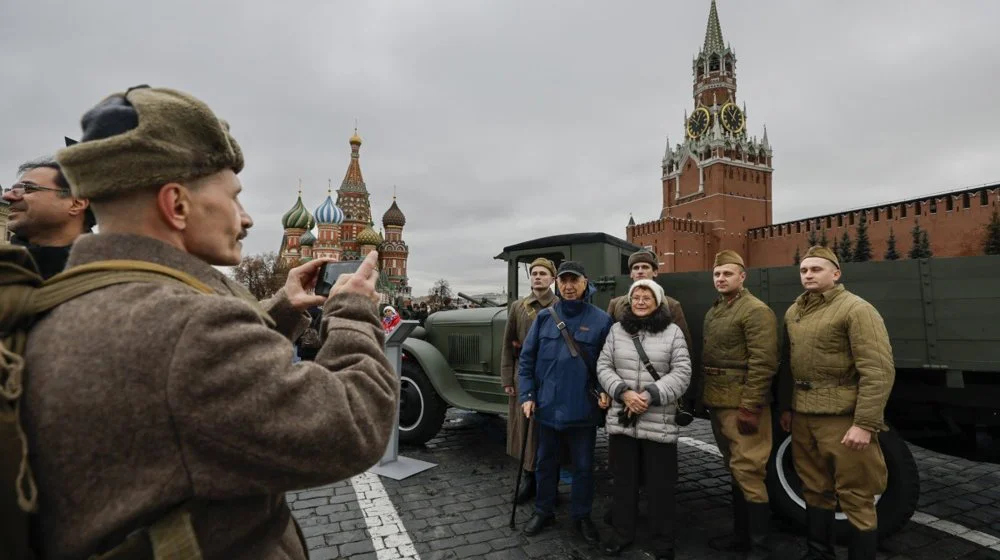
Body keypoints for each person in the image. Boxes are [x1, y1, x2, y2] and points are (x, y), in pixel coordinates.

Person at [21, 85, 397, 559]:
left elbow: (182, 376)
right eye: (234, 197)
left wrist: (282, 308)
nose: (245, 218)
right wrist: (353, 310)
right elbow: (354, 427)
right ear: (176, 204)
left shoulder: (78, 300)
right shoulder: (185, 328)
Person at [779, 246, 894, 560]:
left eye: (816, 269)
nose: (809, 275)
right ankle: (819, 553)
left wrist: (864, 423)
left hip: (842, 418)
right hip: (803, 415)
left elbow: (878, 370)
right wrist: (787, 408)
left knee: (856, 493)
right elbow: (789, 364)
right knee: (814, 487)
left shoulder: (856, 309)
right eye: (804, 270)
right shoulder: (794, 312)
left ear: (836, 273)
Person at [518, 261, 612, 545]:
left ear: (586, 283)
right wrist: (528, 395)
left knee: (583, 467)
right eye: (564, 281)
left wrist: (604, 389)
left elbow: (608, 364)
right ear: (557, 283)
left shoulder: (601, 320)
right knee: (546, 463)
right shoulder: (545, 318)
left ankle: (581, 516)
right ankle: (544, 510)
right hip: (547, 408)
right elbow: (527, 360)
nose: (569, 287)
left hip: (582, 409)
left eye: (575, 281)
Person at [597, 279, 691, 559]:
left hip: (658, 419)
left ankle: (663, 541)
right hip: (623, 419)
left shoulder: (673, 332)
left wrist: (649, 395)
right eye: (635, 297)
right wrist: (623, 393)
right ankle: (623, 533)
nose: (639, 301)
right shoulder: (616, 331)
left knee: (660, 486)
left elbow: (682, 372)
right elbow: (604, 365)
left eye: (646, 297)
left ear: (658, 302)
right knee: (623, 482)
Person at [701, 250, 779, 559]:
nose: (721, 279)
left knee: (749, 471)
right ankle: (741, 537)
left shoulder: (755, 311)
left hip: (740, 404)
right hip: (719, 401)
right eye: (717, 274)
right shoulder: (716, 311)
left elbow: (764, 362)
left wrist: (750, 406)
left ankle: (759, 547)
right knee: (735, 469)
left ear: (742, 277)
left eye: (728, 274)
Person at [501, 257, 558, 503]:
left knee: (549, 432)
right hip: (523, 376)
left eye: (543, 273)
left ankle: (549, 483)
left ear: (552, 279)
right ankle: (528, 478)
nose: (537, 277)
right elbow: (508, 343)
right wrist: (507, 378)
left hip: (551, 378)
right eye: (534, 273)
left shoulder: (560, 305)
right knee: (524, 429)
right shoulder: (518, 306)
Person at [2, 155, 96, 278]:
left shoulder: (114, 278)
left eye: (27, 188)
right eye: (12, 190)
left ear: (76, 204)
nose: (7, 196)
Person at [606, 249, 691, 348]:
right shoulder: (616, 304)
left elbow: (684, 346)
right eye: (636, 268)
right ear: (631, 274)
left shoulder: (671, 305)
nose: (640, 271)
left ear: (655, 272)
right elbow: (607, 342)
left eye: (645, 267)